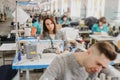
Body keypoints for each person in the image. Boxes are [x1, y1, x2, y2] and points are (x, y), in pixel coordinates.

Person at [39, 41, 118, 80]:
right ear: (89, 52)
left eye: (103, 67)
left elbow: (116, 74)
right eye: (98, 64)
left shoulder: (99, 65)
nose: (98, 69)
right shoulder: (61, 61)